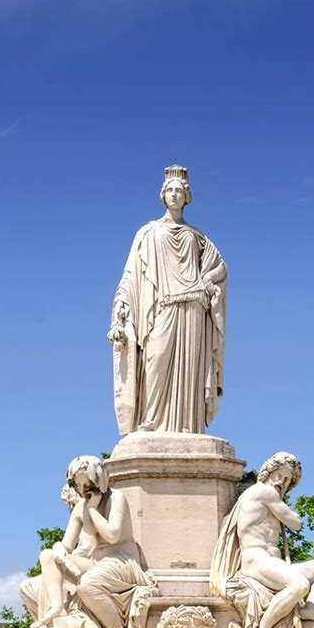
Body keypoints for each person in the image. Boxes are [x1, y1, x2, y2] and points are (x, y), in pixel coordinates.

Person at [108, 164, 227, 435]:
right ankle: (150, 420)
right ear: (163, 195)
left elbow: (221, 267)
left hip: (193, 307)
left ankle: (188, 424)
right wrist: (122, 306)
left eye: (179, 191)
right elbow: (131, 275)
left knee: (189, 373)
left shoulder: (197, 237)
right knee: (155, 360)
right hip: (162, 307)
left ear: (187, 197)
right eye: (170, 190)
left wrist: (206, 281)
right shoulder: (148, 232)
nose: (174, 195)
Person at [210, 451, 314, 628]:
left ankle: (311, 606)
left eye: (287, 479)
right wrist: (289, 512)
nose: (281, 481)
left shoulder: (266, 496)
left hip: (274, 562)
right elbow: (295, 522)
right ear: (268, 471)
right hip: (256, 561)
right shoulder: (264, 491)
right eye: (279, 474)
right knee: (300, 585)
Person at [20, 455, 156, 628]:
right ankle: (57, 607)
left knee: (86, 585)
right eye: (79, 485)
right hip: (97, 563)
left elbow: (112, 535)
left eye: (88, 483)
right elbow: (66, 543)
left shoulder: (116, 498)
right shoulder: (80, 508)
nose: (84, 489)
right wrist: (59, 549)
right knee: (47, 555)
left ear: (98, 479)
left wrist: (93, 509)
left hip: (122, 561)